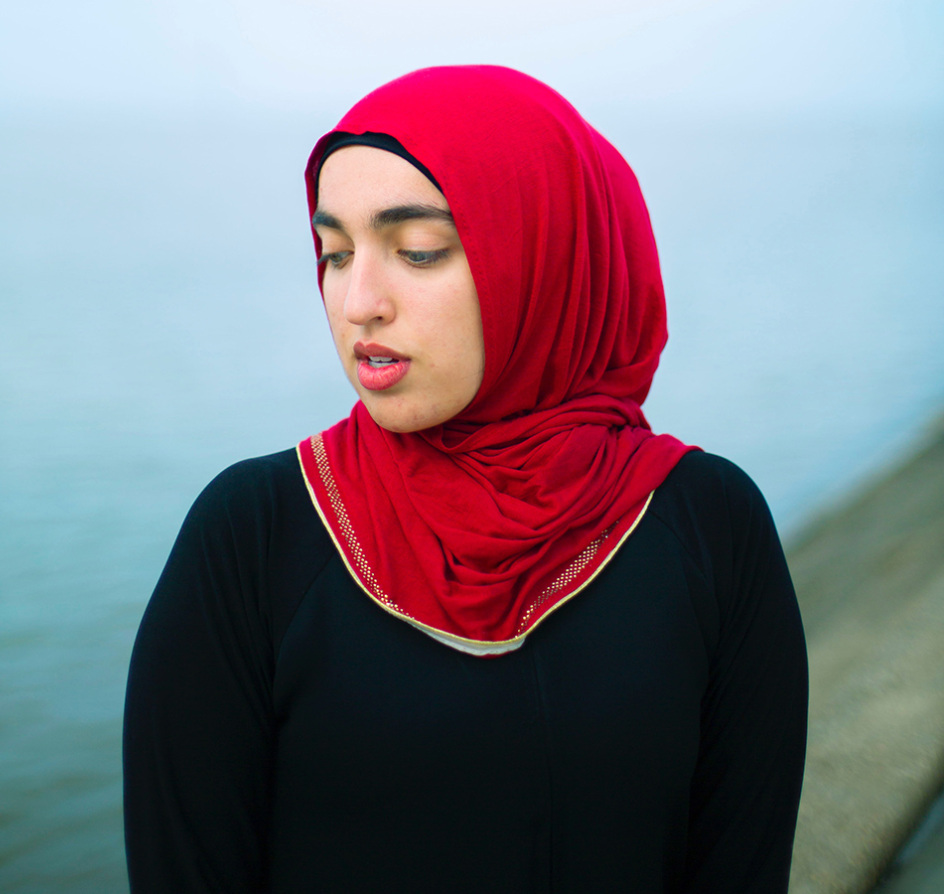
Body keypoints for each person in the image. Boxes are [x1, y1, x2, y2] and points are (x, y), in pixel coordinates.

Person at [123, 65, 808, 893]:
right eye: (335, 253)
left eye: (417, 250)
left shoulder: (707, 526)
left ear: (547, 256)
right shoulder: (253, 534)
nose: (357, 302)